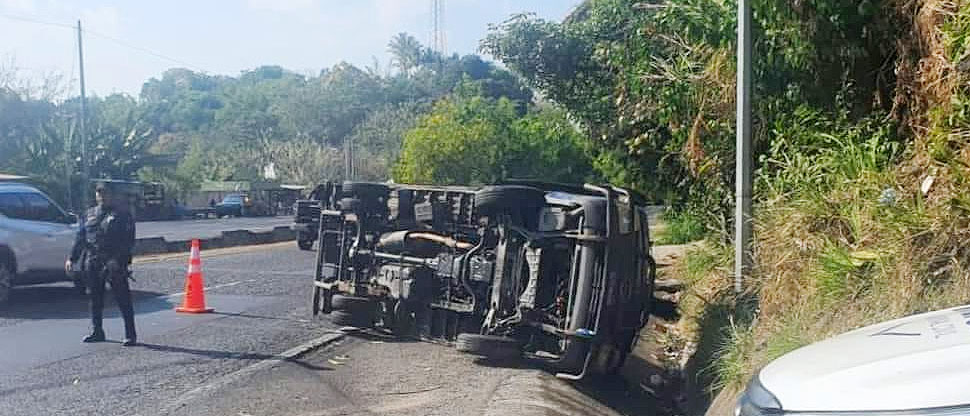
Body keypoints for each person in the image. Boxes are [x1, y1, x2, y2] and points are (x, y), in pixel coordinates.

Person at [66, 183, 138, 346]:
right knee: (95, 298)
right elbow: (81, 238)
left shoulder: (122, 214)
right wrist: (72, 258)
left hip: (114, 262)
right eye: (99, 193)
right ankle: (97, 331)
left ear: (112, 195)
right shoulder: (89, 214)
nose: (102, 197)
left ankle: (130, 334)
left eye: (105, 193)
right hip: (93, 261)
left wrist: (118, 260)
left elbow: (128, 241)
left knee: (122, 298)